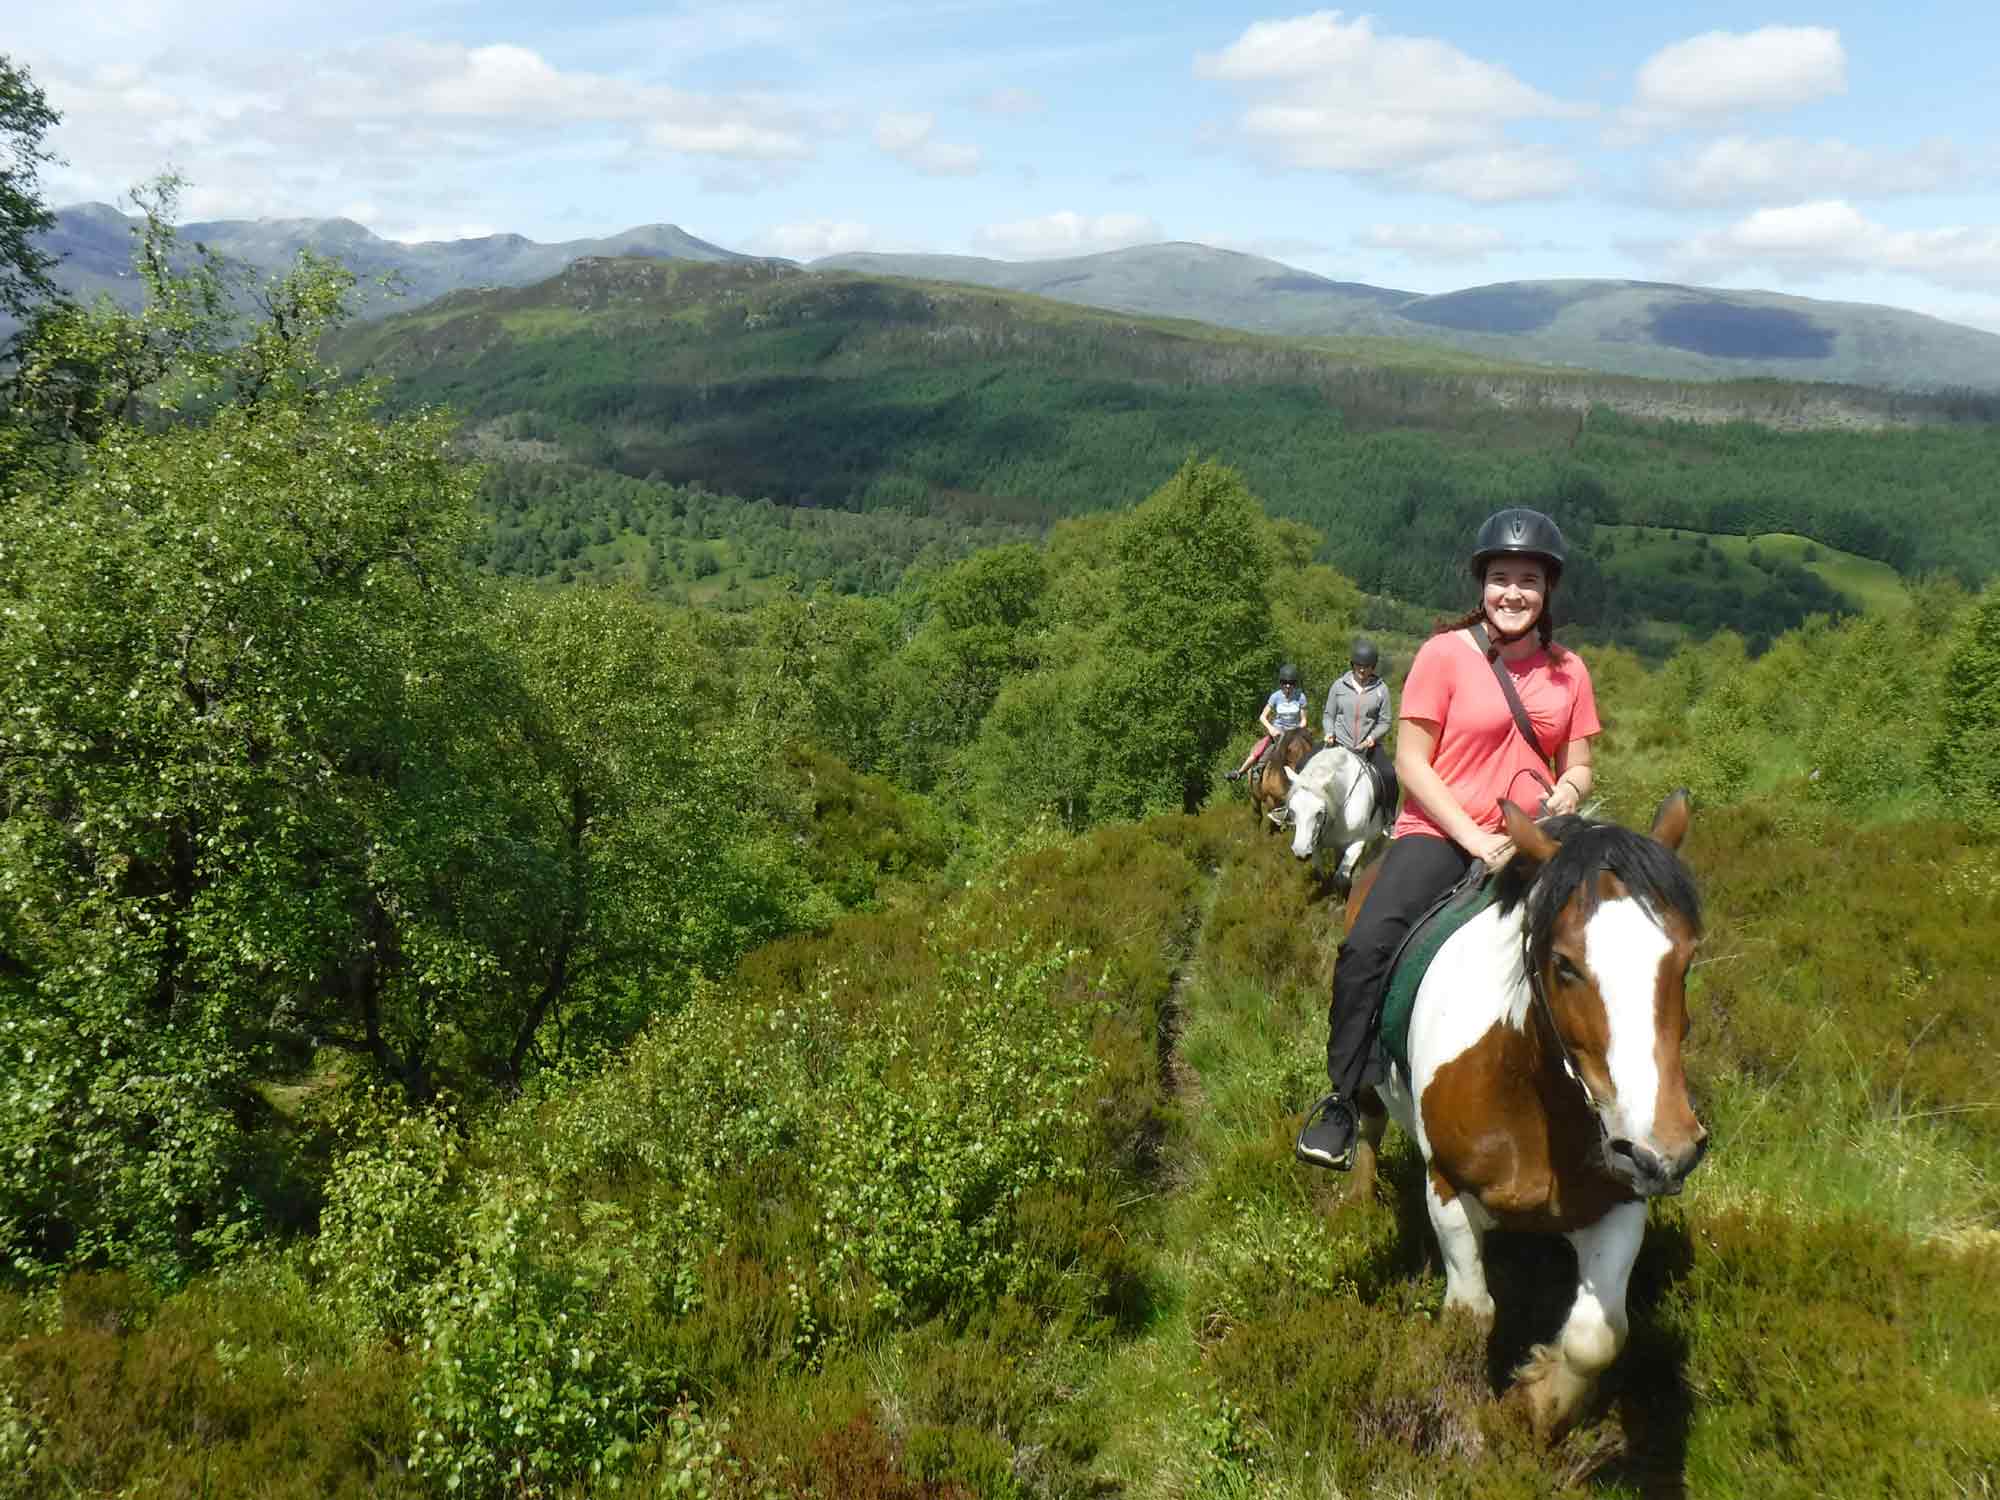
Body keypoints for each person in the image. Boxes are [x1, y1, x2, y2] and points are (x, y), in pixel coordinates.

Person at [1295, 509, 1601, 1170]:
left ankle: (1614, 1101)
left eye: (1528, 580)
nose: (1513, 593)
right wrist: (1475, 839)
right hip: (1439, 833)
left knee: (1611, 946)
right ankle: (1346, 1098)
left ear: (1548, 589)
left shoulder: (1569, 670)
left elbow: (1578, 763)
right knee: (1366, 946)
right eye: (1500, 578)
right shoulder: (1443, 654)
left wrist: (1569, 792)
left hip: (1534, 840)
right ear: (1481, 585)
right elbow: (1411, 762)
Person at [1324, 637, 1398, 816]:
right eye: (1358, 666)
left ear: (1373, 667)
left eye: (1366, 667)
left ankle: (1389, 818)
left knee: (1389, 775)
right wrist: (1329, 732)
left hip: (1368, 747)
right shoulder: (1339, 686)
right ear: (1352, 665)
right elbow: (1328, 715)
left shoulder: (1381, 689)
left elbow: (1385, 721)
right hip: (1339, 744)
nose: (1362, 670)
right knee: (1305, 763)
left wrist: (1372, 738)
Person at [1226, 663, 1309, 781]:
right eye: (1284, 682)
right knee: (1260, 750)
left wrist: (1299, 729)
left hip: (1295, 732)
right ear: (1280, 683)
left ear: (1295, 684)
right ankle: (1240, 772)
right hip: (1278, 731)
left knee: (1311, 749)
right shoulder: (1275, 696)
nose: (1287, 686)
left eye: (1291, 683)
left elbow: (1304, 719)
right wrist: (1271, 728)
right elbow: (1262, 717)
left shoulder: (1301, 697)